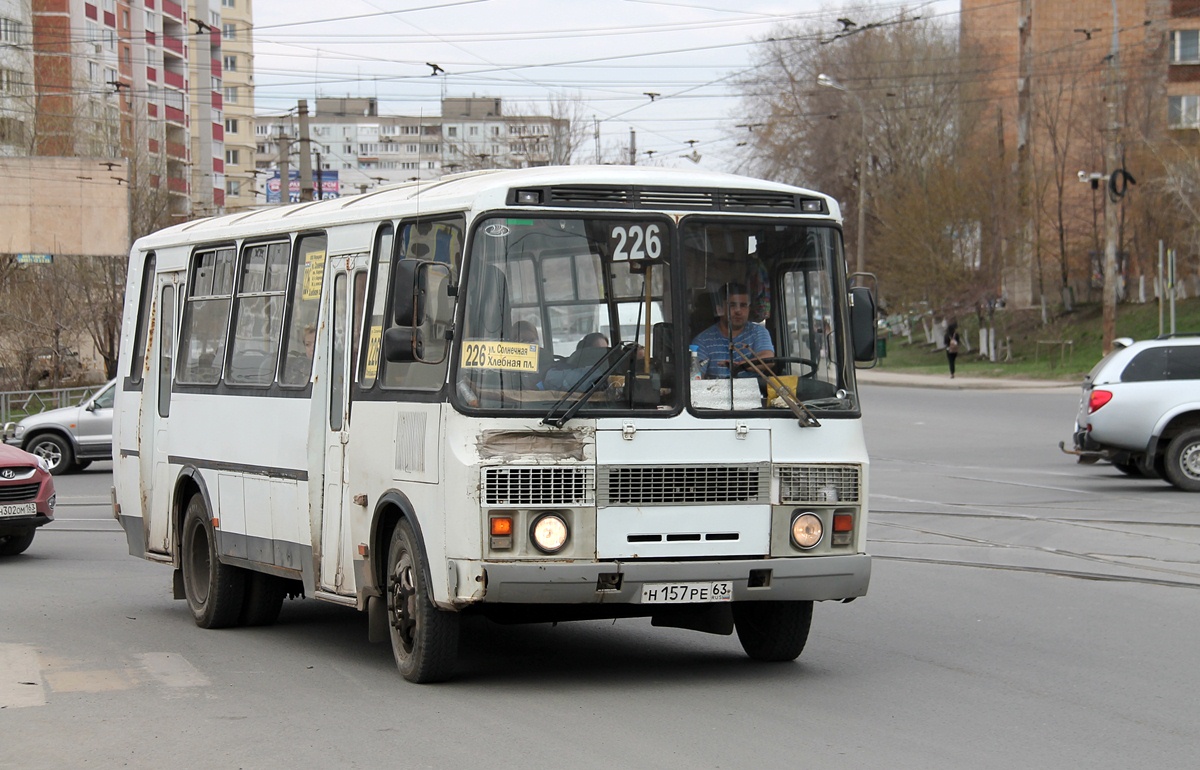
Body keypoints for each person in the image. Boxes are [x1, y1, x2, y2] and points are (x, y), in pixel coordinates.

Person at [690, 282, 774, 378]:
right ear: (719, 309)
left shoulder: (758, 332)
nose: (738, 311)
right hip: (715, 391)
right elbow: (697, 377)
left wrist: (741, 366)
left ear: (748, 309)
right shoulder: (702, 340)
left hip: (753, 392)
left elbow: (768, 359)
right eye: (732, 305)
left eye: (743, 305)